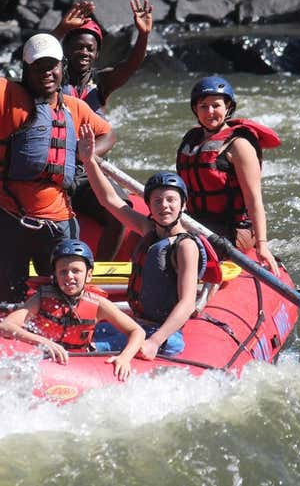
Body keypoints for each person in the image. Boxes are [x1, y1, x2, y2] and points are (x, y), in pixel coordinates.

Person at [0, 0, 114, 302]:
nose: (47, 72)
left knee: (63, 302)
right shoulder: (7, 97)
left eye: (52, 66)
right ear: (27, 70)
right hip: (9, 219)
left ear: (62, 68)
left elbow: (108, 134)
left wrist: (87, 154)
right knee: (2, 299)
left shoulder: (75, 108)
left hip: (58, 223)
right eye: (39, 67)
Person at [79, 129, 220, 359]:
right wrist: (88, 161)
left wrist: (154, 342)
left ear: (183, 205)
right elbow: (109, 200)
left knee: (89, 346)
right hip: (137, 324)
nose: (164, 206)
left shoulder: (185, 246)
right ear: (150, 206)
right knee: (77, 333)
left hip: (162, 334)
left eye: (171, 200)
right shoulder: (149, 230)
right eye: (157, 201)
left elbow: (187, 303)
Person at [51, 0, 153, 260]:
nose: (84, 52)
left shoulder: (102, 82)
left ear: (97, 54)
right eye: (77, 47)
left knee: (119, 213)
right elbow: (36, 57)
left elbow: (130, 66)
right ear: (65, 51)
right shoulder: (51, 80)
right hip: (55, 168)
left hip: (90, 173)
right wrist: (61, 29)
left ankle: (100, 270)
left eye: (90, 49)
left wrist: (143, 35)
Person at [177, 76, 281, 275]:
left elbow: (254, 199)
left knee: (187, 251)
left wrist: (262, 245)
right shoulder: (192, 140)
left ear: (228, 108)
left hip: (234, 228)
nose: (210, 112)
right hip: (197, 221)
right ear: (195, 109)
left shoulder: (239, 145)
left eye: (216, 105)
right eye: (203, 106)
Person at [0, 239, 145, 381]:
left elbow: (137, 331)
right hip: (45, 359)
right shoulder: (41, 298)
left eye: (76, 271)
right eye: (63, 272)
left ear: (89, 275)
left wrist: (125, 357)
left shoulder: (98, 304)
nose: (69, 277)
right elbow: (6, 326)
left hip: (80, 360)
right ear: (55, 275)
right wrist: (43, 342)